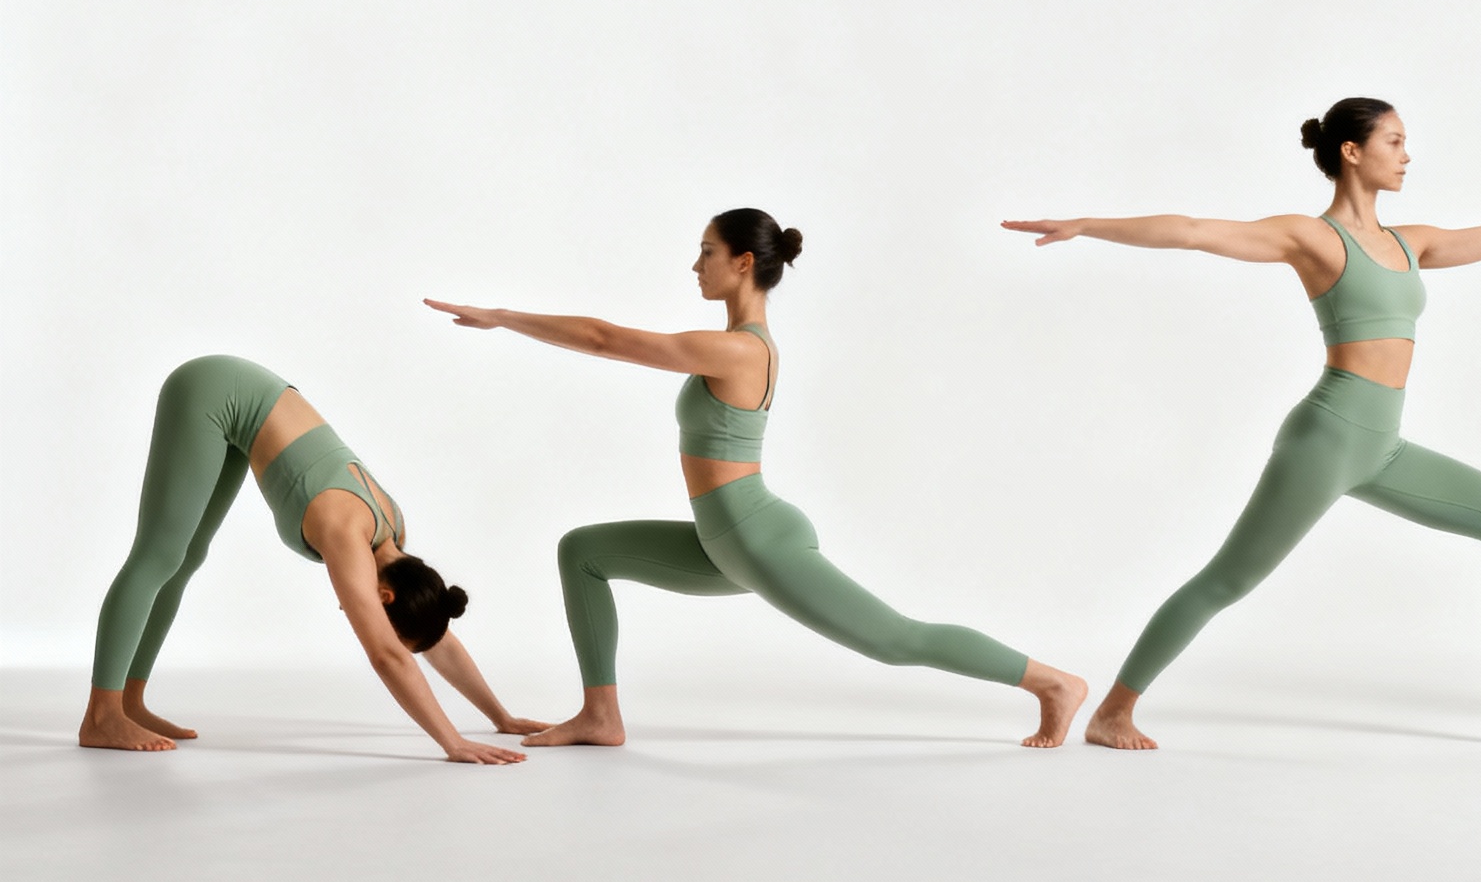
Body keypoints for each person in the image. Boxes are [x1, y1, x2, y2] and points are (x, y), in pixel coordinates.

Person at [1006, 101, 1481, 749]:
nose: (1407, 155)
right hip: (1328, 436)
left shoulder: (1407, 243)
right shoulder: (1312, 237)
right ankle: (1112, 713)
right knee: (1227, 581)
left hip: (1381, 447)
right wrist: (1089, 224)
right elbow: (1193, 230)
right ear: (1352, 152)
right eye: (1394, 141)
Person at [425, 207, 1089, 748]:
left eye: (706, 251)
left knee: (894, 640)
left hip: (754, 537)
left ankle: (1051, 683)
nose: (696, 264)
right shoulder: (740, 345)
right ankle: (601, 716)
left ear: (743, 261)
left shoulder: (739, 349)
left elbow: (604, 339)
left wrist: (506, 318)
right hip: (726, 539)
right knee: (584, 550)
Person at [80, 355, 539, 762]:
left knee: (187, 556)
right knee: (159, 554)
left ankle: (130, 702)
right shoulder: (347, 533)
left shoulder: (393, 537)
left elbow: (433, 630)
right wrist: (452, 743)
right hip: (212, 389)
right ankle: (102, 715)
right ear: (384, 594)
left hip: (245, 399)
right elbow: (386, 655)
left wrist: (501, 716)